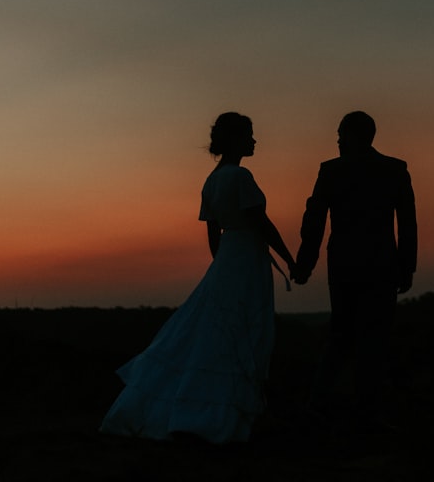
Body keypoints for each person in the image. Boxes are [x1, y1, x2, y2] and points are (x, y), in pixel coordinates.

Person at [100, 112, 296, 443]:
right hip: (245, 257)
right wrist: (290, 258)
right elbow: (261, 223)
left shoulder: (211, 180)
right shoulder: (240, 176)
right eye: (249, 134)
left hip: (227, 260)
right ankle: (225, 413)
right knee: (246, 328)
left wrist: (220, 267)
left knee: (216, 329)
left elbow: (213, 235)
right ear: (234, 139)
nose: (254, 140)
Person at [292, 111, 417, 423]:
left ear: (352, 135)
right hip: (383, 265)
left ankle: (318, 404)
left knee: (341, 336)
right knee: (373, 339)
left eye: (340, 134)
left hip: (347, 266)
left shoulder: (331, 171)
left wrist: (305, 264)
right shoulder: (394, 170)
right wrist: (406, 267)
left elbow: (314, 222)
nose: (336, 141)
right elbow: (408, 225)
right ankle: (364, 409)